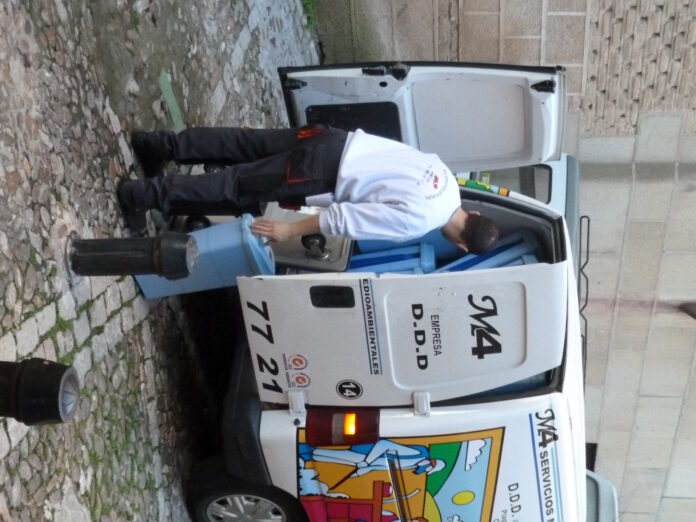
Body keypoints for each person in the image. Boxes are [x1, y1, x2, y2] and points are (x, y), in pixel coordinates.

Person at [117, 125, 499, 253]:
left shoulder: (446, 176)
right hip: (320, 172)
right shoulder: (419, 222)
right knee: (238, 186)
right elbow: (346, 218)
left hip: (334, 139)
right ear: (461, 245)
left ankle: (158, 145)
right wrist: (288, 230)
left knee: (243, 144)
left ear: (476, 214)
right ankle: (140, 195)